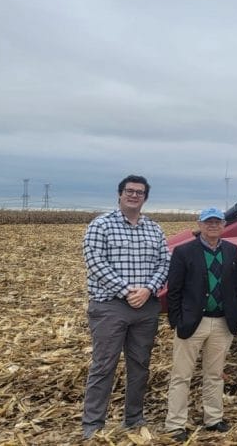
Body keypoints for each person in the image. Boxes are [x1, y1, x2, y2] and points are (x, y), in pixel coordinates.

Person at [81, 175, 170, 439]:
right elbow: (95, 262)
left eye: (139, 192)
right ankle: (93, 424)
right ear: (119, 194)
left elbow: (164, 263)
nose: (134, 196)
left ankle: (133, 418)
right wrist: (126, 291)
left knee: (140, 365)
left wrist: (148, 289)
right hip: (110, 306)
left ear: (145, 198)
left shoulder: (154, 229)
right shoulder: (101, 225)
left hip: (145, 306)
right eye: (129, 191)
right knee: (104, 365)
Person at [164, 207, 237, 441]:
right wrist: (177, 320)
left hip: (221, 322)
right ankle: (175, 424)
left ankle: (214, 418)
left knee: (215, 374)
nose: (213, 226)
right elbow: (174, 290)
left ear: (224, 225)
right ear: (200, 225)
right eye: (208, 222)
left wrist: (235, 313)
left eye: (217, 222)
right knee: (181, 375)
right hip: (192, 323)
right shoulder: (184, 251)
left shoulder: (231, 251)